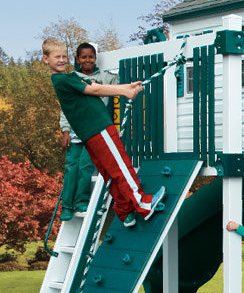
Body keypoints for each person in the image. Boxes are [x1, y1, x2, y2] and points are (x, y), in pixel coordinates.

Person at [43, 38, 165, 227]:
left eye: (64, 56)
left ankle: (125, 211)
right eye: (56, 57)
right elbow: (96, 89)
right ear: (46, 59)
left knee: (110, 172)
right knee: (121, 166)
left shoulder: (69, 78)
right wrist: (125, 92)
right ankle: (144, 204)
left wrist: (126, 86)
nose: (61, 60)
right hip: (98, 127)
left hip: (90, 132)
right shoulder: (64, 79)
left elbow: (98, 88)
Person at [59, 42, 118, 221]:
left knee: (86, 166)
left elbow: (120, 82)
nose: (87, 60)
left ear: (95, 58)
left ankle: (81, 202)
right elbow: (65, 106)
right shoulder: (72, 79)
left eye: (90, 57)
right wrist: (65, 131)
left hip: (93, 130)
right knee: (71, 167)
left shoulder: (104, 77)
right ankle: (67, 206)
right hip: (76, 130)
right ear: (77, 59)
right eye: (83, 57)